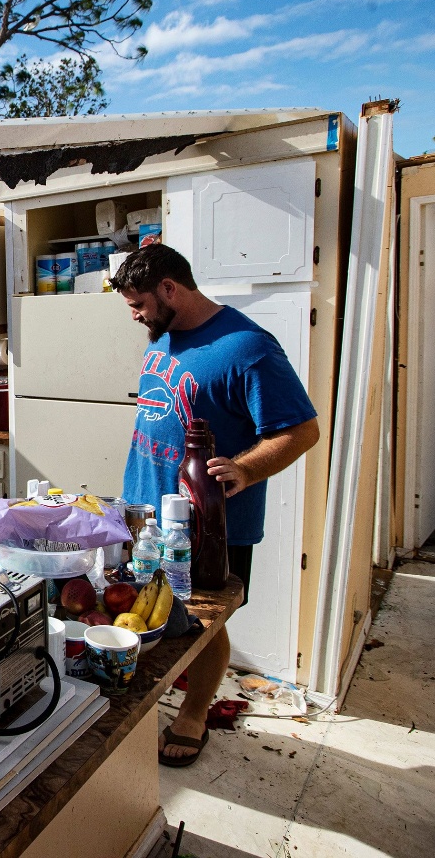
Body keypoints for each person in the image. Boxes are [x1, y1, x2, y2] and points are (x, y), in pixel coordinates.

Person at [108, 244, 320, 768]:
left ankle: (194, 715)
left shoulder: (247, 347)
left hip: (209, 527)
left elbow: (302, 430)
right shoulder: (166, 338)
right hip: (146, 515)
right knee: (145, 614)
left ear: (170, 289)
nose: (135, 316)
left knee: (205, 627)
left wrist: (246, 468)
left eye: (139, 304)